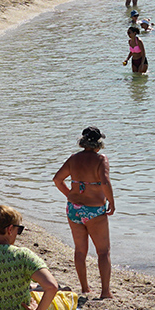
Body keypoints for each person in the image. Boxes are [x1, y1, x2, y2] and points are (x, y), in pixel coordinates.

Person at [52, 128, 113, 299]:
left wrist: (70, 195)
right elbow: (105, 183)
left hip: (74, 208)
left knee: (80, 250)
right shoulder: (101, 159)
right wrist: (112, 203)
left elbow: (57, 179)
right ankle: (105, 292)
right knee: (103, 251)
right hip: (94, 210)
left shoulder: (74, 158)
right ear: (99, 144)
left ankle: (85, 289)